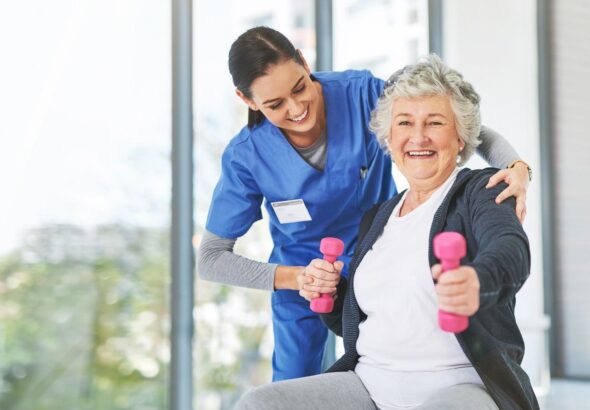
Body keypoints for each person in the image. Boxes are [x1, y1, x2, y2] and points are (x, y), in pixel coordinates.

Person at [198, 26, 533, 382]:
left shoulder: (362, 95)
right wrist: (296, 278)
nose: (297, 108)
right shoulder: (246, 157)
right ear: (247, 100)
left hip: (377, 264)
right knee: (292, 387)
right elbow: (211, 259)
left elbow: (464, 127)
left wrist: (517, 167)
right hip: (301, 282)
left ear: (303, 60)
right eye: (275, 104)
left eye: (299, 87)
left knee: (382, 374)